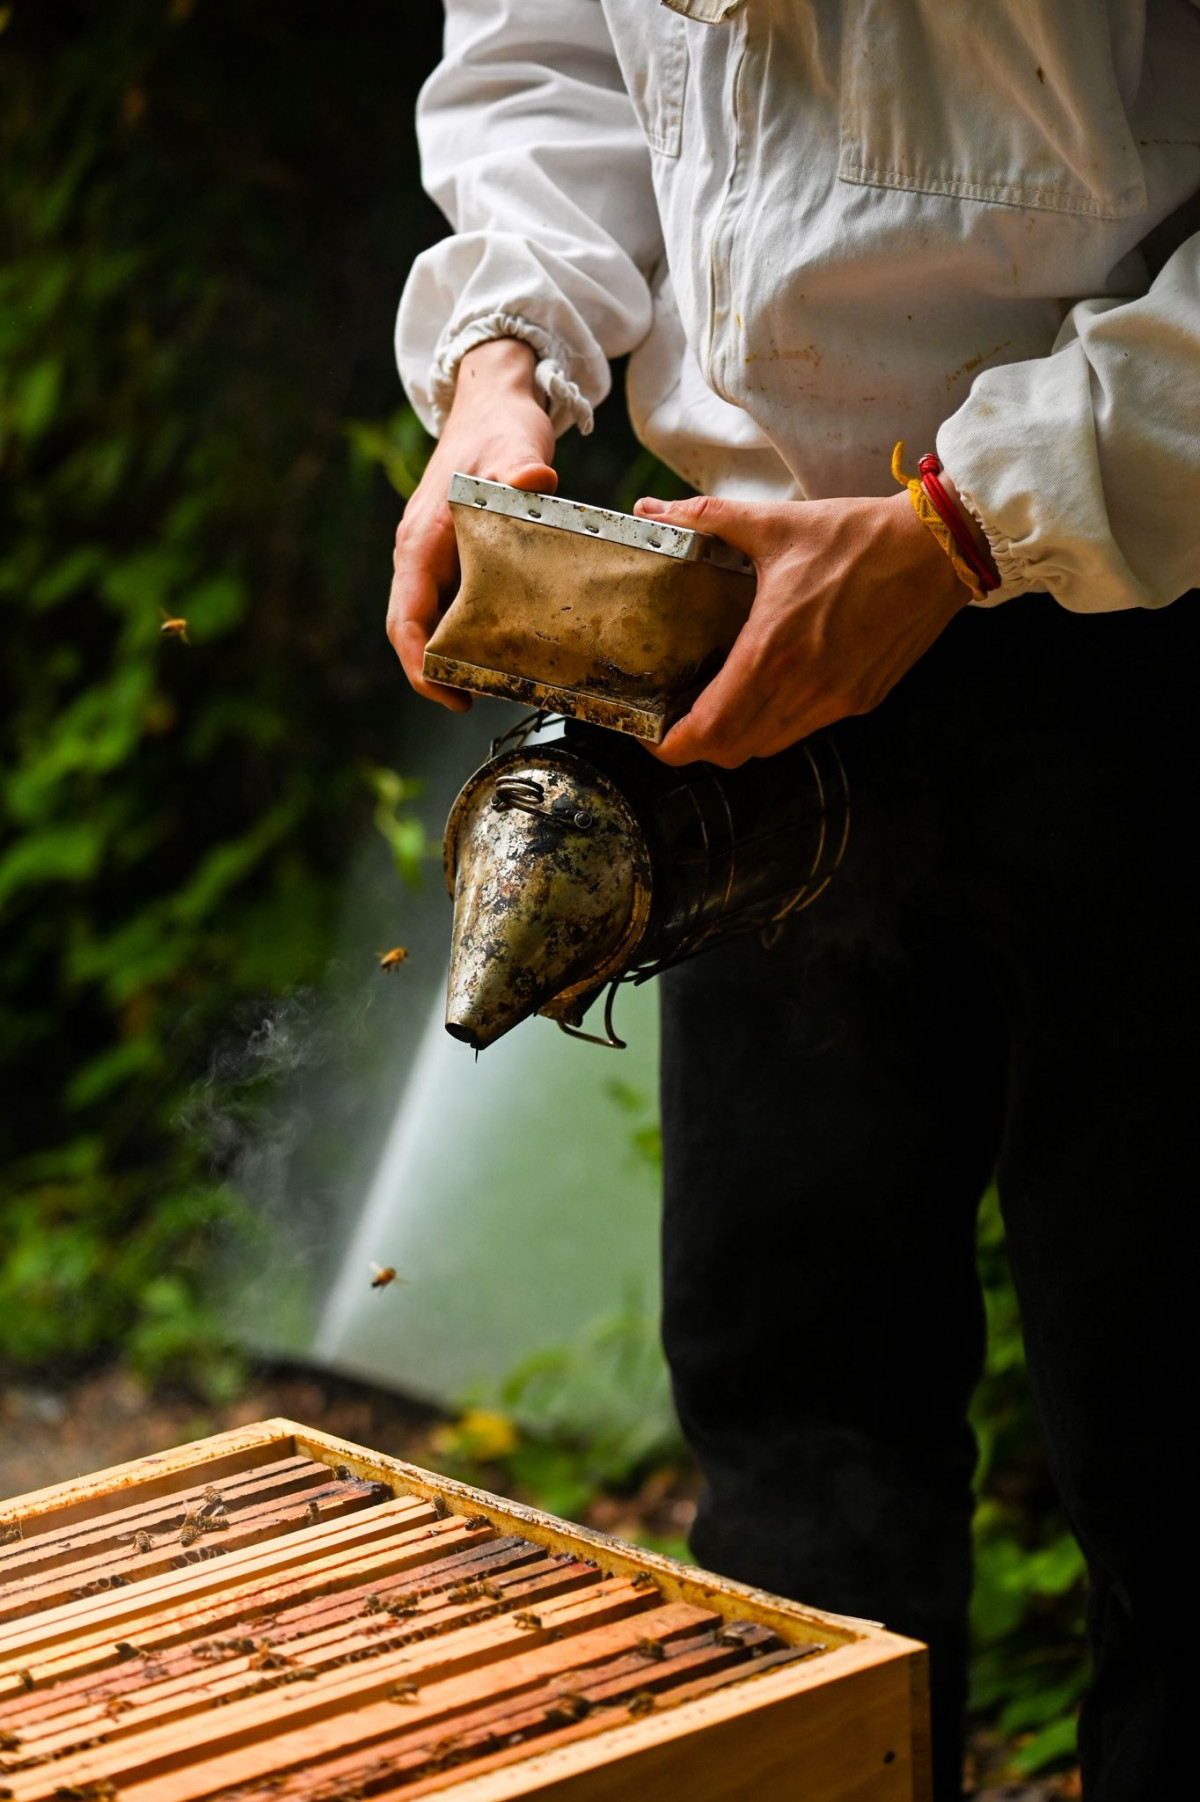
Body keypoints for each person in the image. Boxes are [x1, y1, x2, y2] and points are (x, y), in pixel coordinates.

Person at [386, 4, 1200, 1796]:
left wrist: (962, 523)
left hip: (1153, 620)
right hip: (741, 619)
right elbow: (551, 47)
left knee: (1183, 1449)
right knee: (793, 1426)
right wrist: (500, 362)